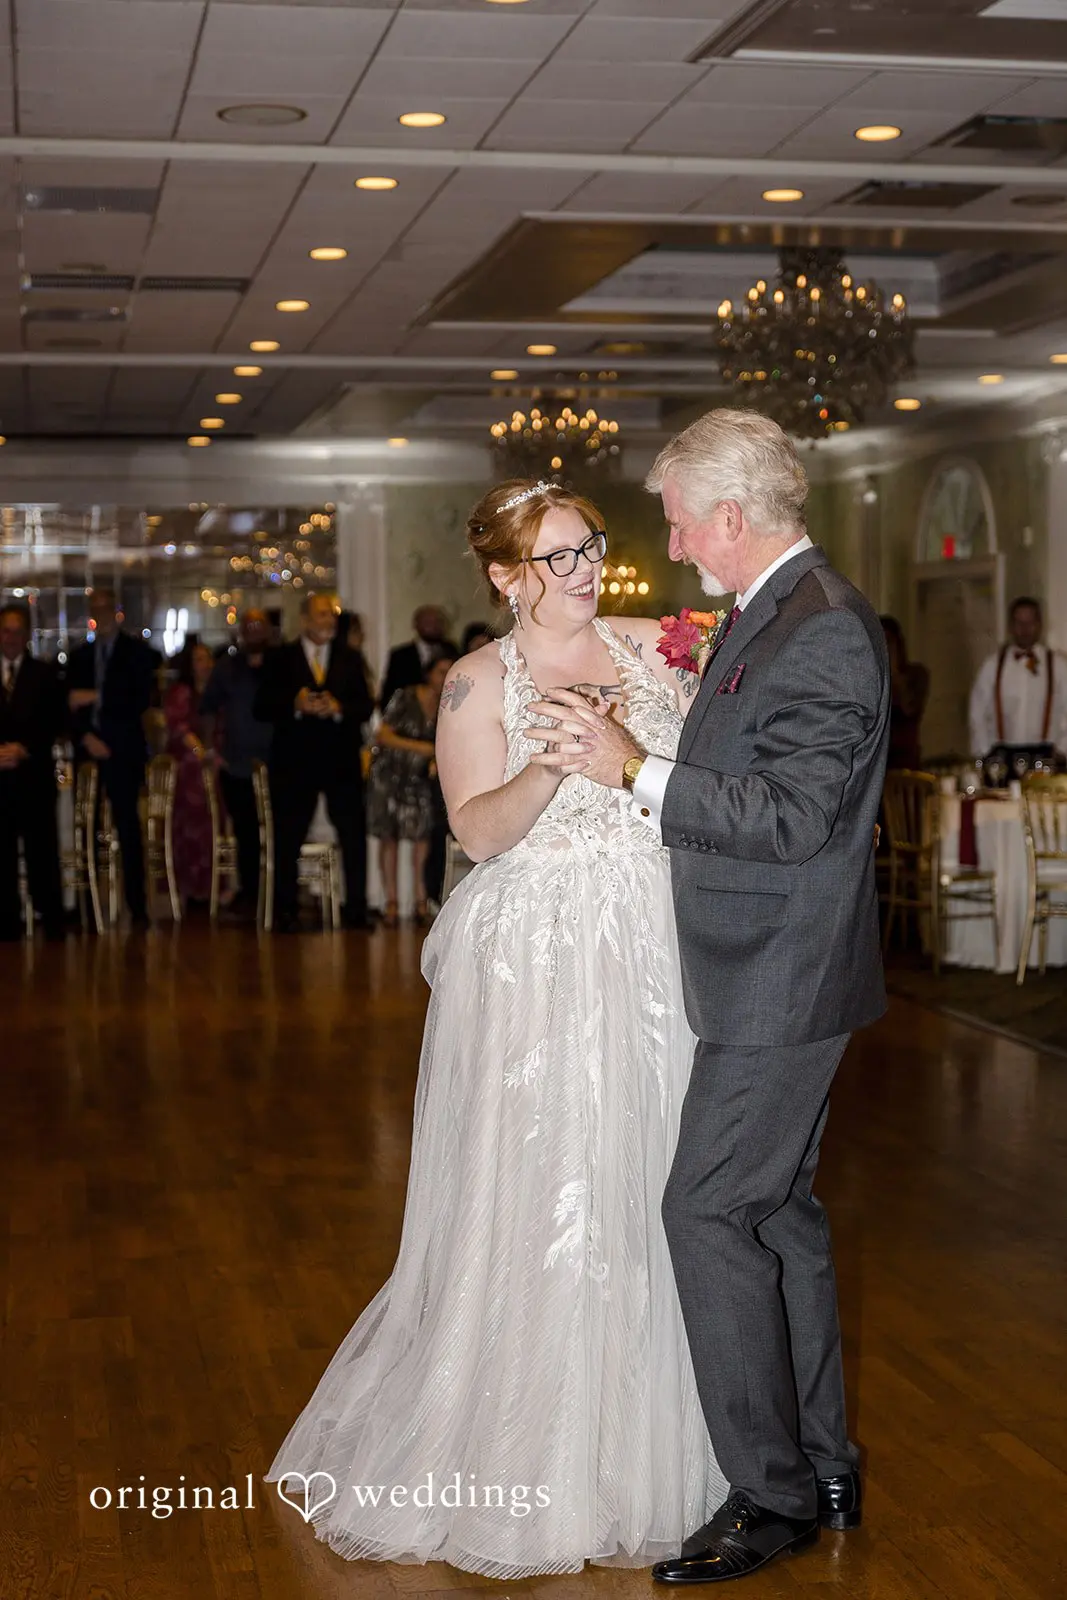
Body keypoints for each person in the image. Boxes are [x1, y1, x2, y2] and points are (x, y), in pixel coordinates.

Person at [267, 478, 729, 1575]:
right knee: (547, 1179)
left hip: (653, 938)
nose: (584, 572)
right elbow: (475, 832)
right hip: (541, 954)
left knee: (655, 1174)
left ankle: (676, 1441)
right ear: (504, 575)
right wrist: (550, 766)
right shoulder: (477, 679)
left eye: (590, 548)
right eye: (558, 556)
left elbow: (710, 760)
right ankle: (536, 1444)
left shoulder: (658, 645)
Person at [543, 409, 889, 1583]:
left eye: (683, 522)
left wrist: (632, 769)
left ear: (731, 517)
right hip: (771, 965)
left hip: (778, 977)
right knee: (775, 1212)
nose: (676, 544)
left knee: (702, 1210)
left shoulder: (819, 627)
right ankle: (823, 1464)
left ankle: (769, 1494)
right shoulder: (771, 611)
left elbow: (791, 817)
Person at [254, 593, 375, 932]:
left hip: (341, 762)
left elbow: (365, 706)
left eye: (332, 615)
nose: (329, 621)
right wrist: (295, 704)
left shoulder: (350, 658)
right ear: (305, 619)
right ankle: (286, 909)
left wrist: (338, 708)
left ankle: (356, 909)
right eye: (322, 614)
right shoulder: (281, 657)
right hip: (294, 764)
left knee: (353, 835)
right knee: (288, 835)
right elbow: (261, 706)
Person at [66, 588, 158, 927]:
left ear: (117, 612)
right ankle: (87, 906)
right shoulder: (80, 657)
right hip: (88, 751)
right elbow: (67, 704)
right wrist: (86, 737)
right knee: (86, 828)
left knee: (128, 828)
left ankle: (137, 905)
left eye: (106, 608)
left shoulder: (137, 653)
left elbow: (138, 699)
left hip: (123, 752)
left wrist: (96, 696)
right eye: (96, 609)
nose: (101, 614)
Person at [366, 647, 458, 927]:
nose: (444, 677)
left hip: (419, 779)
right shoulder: (405, 696)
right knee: (389, 837)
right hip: (389, 776)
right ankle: (391, 902)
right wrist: (423, 748)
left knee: (422, 837)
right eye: (440, 671)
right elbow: (383, 735)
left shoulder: (451, 702)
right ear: (428, 673)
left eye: (449, 671)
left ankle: (420, 899)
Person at [200, 609, 273, 916]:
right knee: (245, 833)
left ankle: (276, 894)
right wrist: (210, 750)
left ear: (268, 630)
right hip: (236, 765)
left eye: (259, 625)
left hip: (277, 765)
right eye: (249, 626)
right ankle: (250, 893)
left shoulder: (282, 663)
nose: (254, 631)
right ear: (241, 632)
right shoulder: (227, 668)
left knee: (277, 832)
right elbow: (207, 707)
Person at [0, 603, 66, 940]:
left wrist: (24, 748)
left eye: (16, 631)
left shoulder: (43, 674)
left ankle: (50, 917)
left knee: (42, 849)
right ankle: (5, 920)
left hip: (34, 778)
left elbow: (55, 721)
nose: (10, 638)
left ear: (26, 635)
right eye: (5, 631)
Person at [968, 596, 1067, 758]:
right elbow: (977, 711)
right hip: (1002, 756)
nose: (1024, 628)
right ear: (1010, 626)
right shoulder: (992, 665)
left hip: (1048, 756)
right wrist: (985, 751)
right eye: (1019, 623)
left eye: (1030, 622)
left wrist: (1063, 749)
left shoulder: (1059, 666)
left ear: (1040, 625)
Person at [163, 642, 215, 907]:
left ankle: (213, 886)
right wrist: (199, 751)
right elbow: (179, 727)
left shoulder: (216, 691)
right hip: (188, 770)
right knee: (190, 825)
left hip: (213, 768)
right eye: (198, 659)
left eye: (207, 658)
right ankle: (190, 887)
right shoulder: (181, 692)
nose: (204, 664)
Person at [378, 605, 457, 711]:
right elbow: (389, 694)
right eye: (427, 622)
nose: (433, 626)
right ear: (415, 624)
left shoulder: (452, 650)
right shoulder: (400, 656)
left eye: (437, 621)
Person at [880, 615, 929, 769]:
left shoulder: (916, 674)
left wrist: (893, 671)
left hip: (905, 760)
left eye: (887, 642)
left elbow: (910, 709)